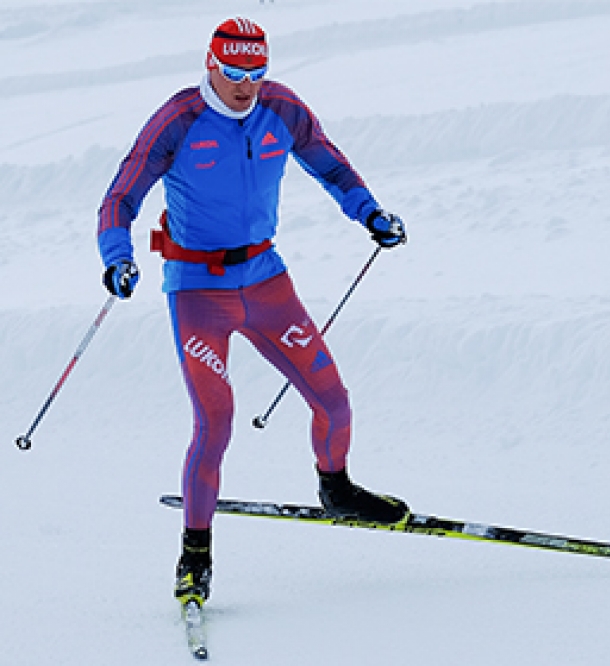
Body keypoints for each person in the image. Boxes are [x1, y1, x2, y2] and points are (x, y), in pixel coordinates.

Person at [96, 17, 408, 608]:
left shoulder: (282, 110)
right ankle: (195, 554)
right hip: (196, 290)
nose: (245, 86)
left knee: (333, 399)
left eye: (256, 74)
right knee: (216, 421)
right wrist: (118, 257)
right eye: (234, 73)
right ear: (210, 65)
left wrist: (370, 214)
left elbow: (332, 167)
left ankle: (336, 489)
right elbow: (121, 196)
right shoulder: (179, 119)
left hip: (266, 281)